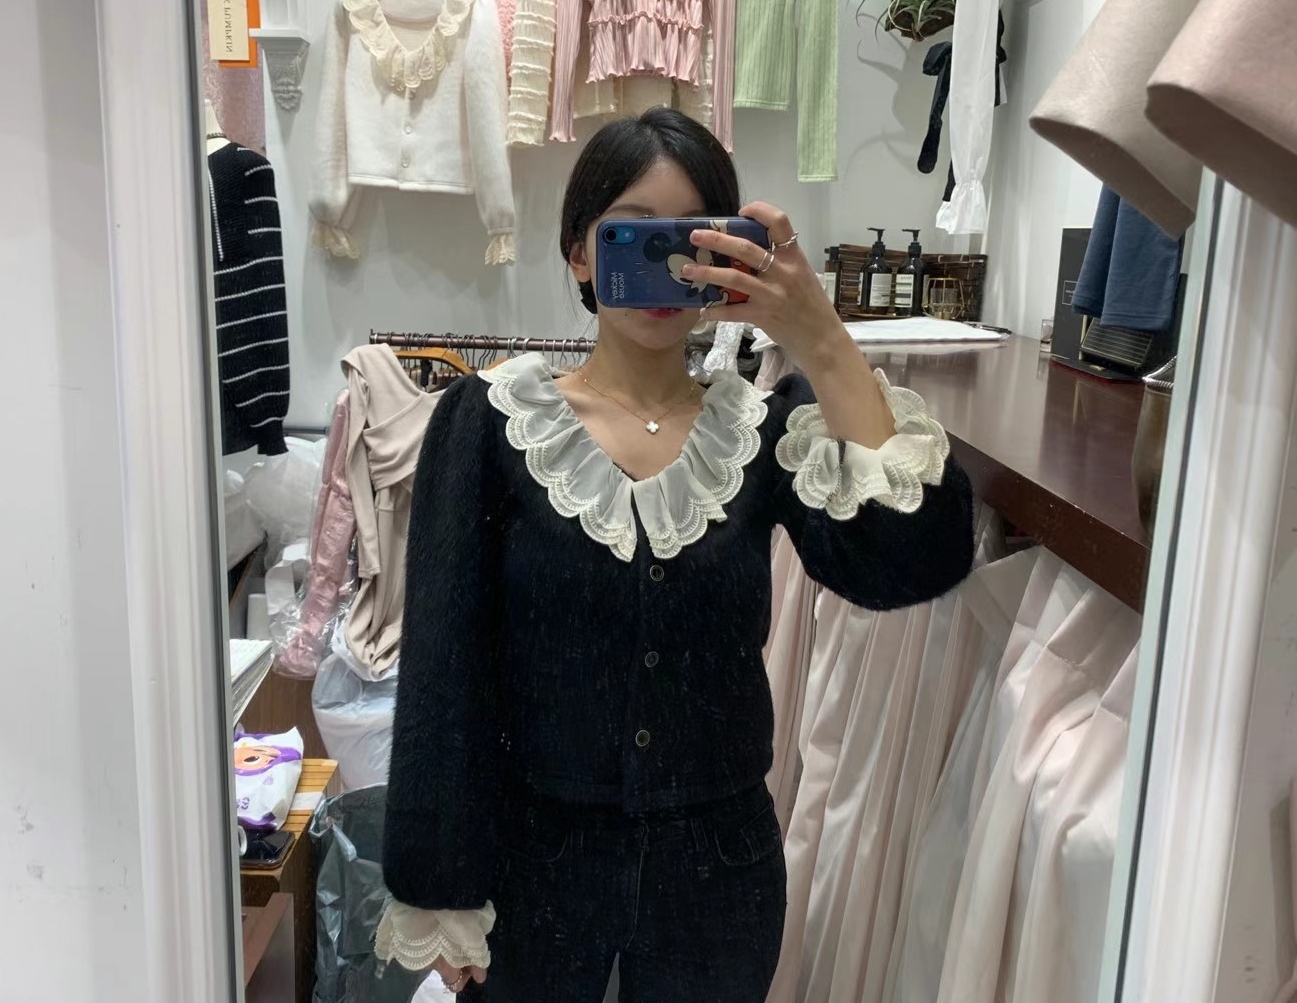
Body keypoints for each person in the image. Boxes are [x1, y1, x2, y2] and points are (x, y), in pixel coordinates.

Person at [374, 107, 975, 1001]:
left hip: (720, 881)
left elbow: (917, 558)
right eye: (631, 233)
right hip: (535, 875)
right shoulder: (491, 425)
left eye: (692, 239)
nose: (664, 265)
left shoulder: (764, 431)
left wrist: (818, 333)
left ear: (733, 253)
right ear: (579, 253)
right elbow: (443, 672)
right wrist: (440, 888)